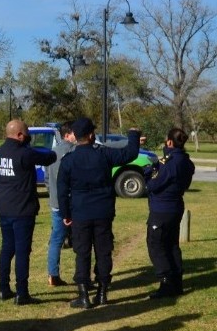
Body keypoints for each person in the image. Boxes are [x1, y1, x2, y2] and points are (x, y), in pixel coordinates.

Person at [58, 117, 140, 309]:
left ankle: (84, 295)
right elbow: (130, 153)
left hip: (80, 213)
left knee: (82, 253)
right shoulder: (103, 154)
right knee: (104, 252)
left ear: (75, 137)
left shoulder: (69, 160)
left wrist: (65, 214)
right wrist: (134, 134)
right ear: (91, 135)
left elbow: (62, 190)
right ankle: (102, 293)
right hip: (103, 211)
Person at [0, 119, 57, 305]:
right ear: (20, 135)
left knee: (7, 248)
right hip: (22, 209)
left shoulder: (0, 152)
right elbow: (48, 158)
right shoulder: (24, 153)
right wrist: (56, 151)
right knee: (22, 251)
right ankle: (22, 292)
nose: (29, 137)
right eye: (27, 133)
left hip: (4, 208)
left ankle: (3, 288)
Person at [145, 127, 195, 299]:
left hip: (162, 209)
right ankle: (176, 280)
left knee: (156, 244)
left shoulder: (171, 163)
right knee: (171, 244)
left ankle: (166, 280)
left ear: (170, 142)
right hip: (175, 207)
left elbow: (154, 185)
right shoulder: (186, 162)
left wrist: (149, 175)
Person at [45, 121, 76, 287]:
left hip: (55, 202)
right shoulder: (74, 151)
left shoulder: (52, 153)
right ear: (67, 135)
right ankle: (82, 275)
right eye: (74, 133)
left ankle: (53, 274)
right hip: (72, 203)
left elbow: (47, 179)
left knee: (56, 239)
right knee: (81, 239)